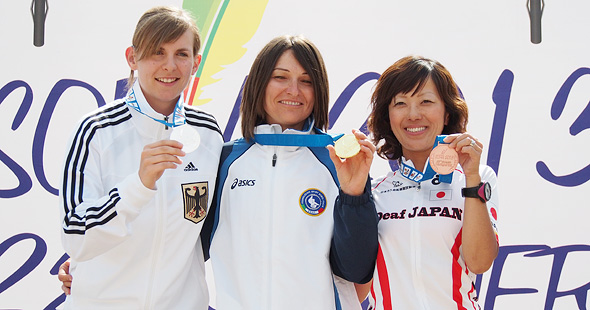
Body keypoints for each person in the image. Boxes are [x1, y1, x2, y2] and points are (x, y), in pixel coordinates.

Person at [58, 6, 222, 309]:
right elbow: (75, 236)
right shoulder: (95, 130)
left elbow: (217, 229)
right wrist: (138, 185)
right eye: (157, 52)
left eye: (181, 54)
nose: (170, 66)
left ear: (196, 62)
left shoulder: (209, 134)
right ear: (133, 57)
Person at [201, 35, 379, 309]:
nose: (293, 91)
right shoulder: (225, 161)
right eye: (280, 77)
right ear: (259, 84)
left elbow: (355, 270)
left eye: (306, 81)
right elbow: (186, 251)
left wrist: (354, 196)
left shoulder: (338, 161)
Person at [357, 55, 499, 309]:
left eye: (426, 101)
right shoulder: (374, 192)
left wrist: (472, 179)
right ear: (388, 116)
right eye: (400, 103)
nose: (413, 114)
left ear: (447, 113)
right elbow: (356, 285)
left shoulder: (476, 177)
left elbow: (479, 262)